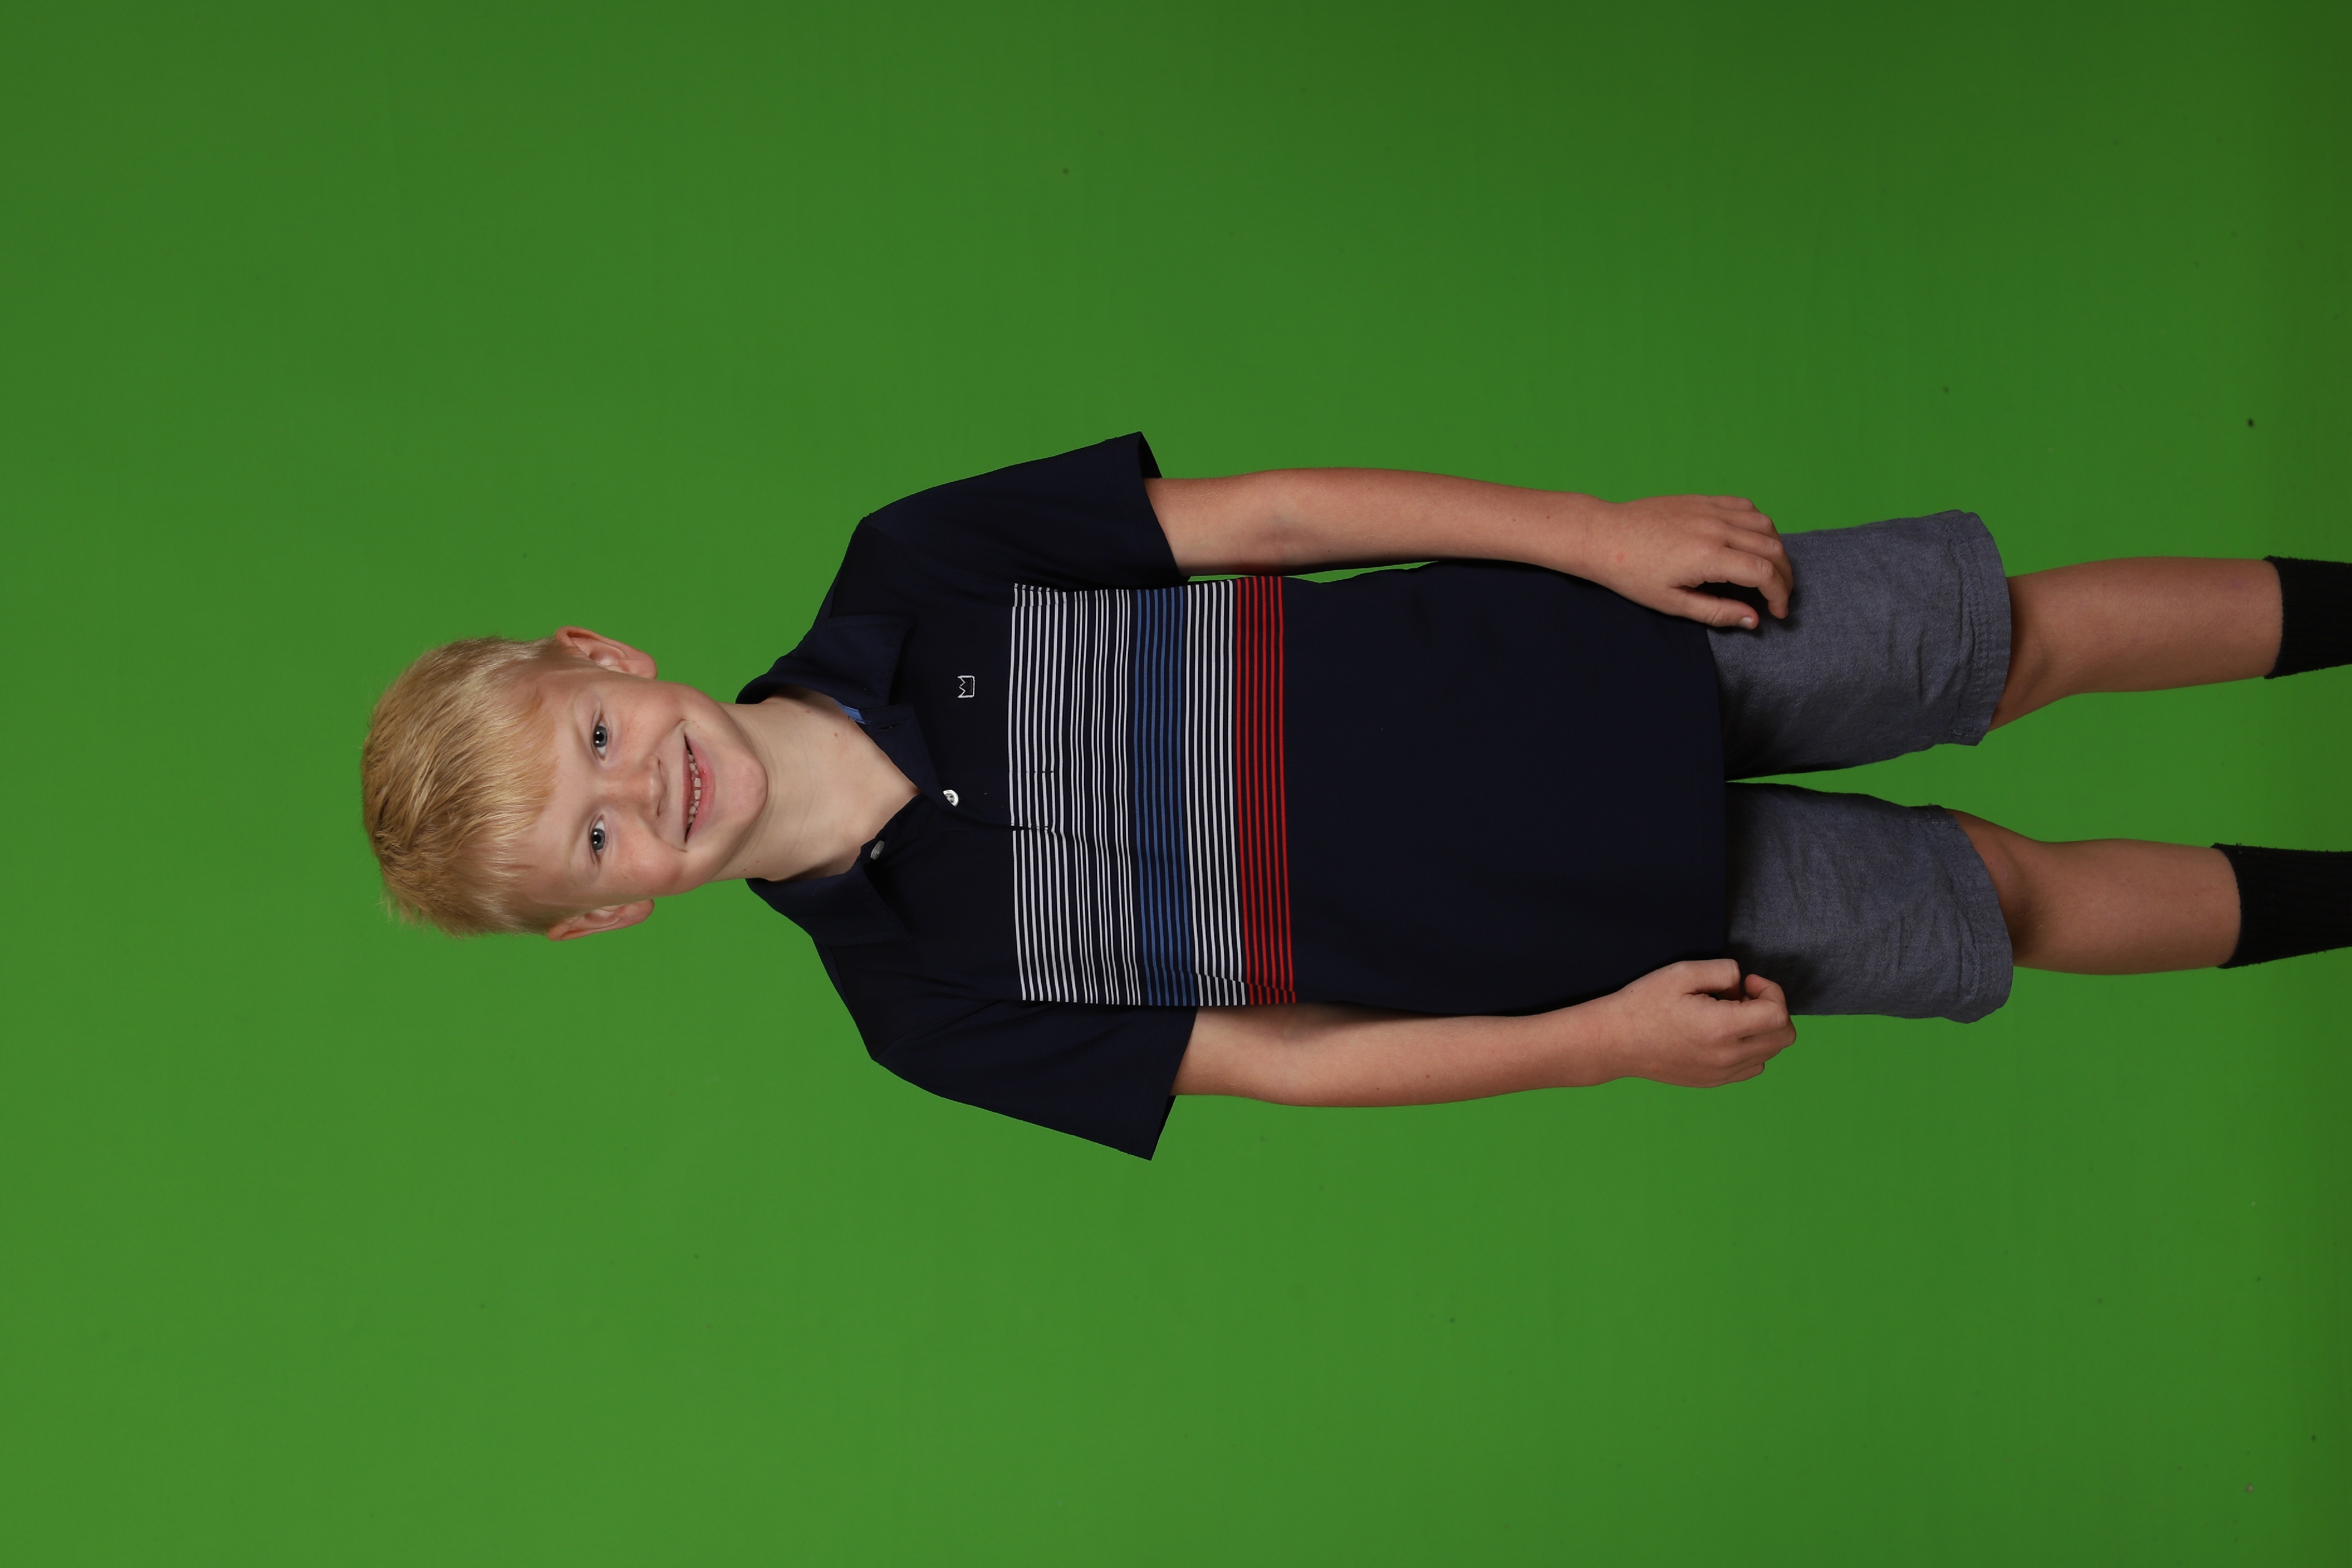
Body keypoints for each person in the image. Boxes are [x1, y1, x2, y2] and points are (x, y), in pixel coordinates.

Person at [360, 434, 2351, 1157]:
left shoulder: (918, 569)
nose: (642, 788)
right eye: (596, 838)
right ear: (611, 912)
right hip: (1602, 929)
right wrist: (1597, 1041)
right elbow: (1290, 1065)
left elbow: (1278, 517)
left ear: (604, 654)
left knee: (2012, 640)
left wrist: (1591, 533)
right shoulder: (920, 1003)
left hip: (1594, 644)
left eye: (594, 736)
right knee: (2003, 894)